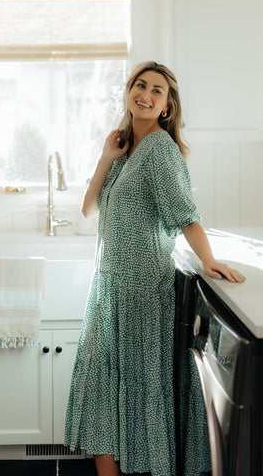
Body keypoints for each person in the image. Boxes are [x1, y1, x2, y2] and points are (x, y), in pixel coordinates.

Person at [64, 61, 245, 476]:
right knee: (101, 391)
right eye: (139, 85)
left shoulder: (160, 149)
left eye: (157, 90)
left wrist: (210, 260)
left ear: (167, 105)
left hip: (142, 287)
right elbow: (90, 208)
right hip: (111, 285)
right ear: (128, 93)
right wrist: (106, 157)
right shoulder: (127, 150)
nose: (145, 94)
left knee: (133, 393)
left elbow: (186, 215)